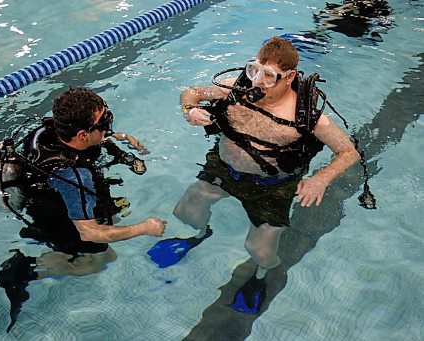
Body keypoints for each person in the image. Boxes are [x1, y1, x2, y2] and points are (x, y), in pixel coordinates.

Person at [149, 36, 360, 313]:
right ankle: (200, 234)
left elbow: (349, 152)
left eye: (269, 76)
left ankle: (260, 277)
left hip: (273, 185)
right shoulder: (234, 89)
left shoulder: (306, 116)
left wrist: (320, 178)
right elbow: (190, 92)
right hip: (223, 169)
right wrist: (189, 110)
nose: (257, 82)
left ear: (289, 77)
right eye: (253, 71)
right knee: (185, 212)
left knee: (259, 250)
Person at [0, 87, 166, 331]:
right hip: (59, 220)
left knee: (112, 216)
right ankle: (25, 270)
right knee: (101, 260)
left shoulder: (48, 130)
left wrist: (120, 137)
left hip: (44, 200)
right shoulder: (73, 176)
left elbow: (94, 138)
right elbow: (90, 233)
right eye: (104, 122)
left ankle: (38, 242)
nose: (109, 124)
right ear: (82, 135)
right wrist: (145, 227)